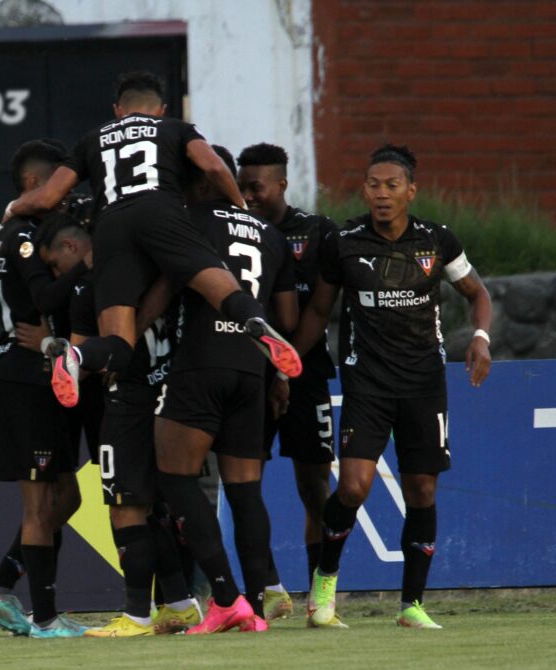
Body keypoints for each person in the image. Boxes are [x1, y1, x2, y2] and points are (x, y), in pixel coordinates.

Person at [6, 71, 302, 408]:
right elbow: (215, 168)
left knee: (119, 343)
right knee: (224, 290)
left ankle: (74, 356)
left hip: (111, 227)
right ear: (160, 110)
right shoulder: (175, 128)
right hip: (162, 215)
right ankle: (254, 324)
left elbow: (48, 197)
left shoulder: (93, 138)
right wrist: (240, 207)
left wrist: (13, 207)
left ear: (118, 110)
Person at [292, 144, 492, 629]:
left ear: (410, 191)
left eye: (392, 186)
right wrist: (289, 362)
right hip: (367, 383)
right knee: (354, 486)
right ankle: (324, 587)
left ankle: (412, 605)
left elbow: (477, 294)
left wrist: (482, 338)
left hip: (424, 383)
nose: (381, 195)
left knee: (422, 488)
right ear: (365, 190)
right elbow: (319, 311)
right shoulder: (344, 242)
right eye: (373, 185)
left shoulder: (438, 241)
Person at [34, 213, 202, 637]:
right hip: (176, 399)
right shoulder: (171, 273)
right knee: (158, 509)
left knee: (126, 507)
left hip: (128, 402)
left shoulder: (93, 288)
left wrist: (65, 358)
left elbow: (77, 364)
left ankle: (136, 616)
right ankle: (181, 604)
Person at [153, 145, 298, 634]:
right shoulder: (270, 234)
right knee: (245, 490)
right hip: (252, 368)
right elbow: (289, 318)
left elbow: (165, 289)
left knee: (175, 478)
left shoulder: (187, 219)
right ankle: (255, 611)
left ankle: (222, 597)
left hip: (202, 360)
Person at [0, 141, 90, 639]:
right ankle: (44, 619)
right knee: (41, 504)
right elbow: (42, 295)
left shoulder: (27, 230)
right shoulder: (19, 235)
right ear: (32, 187)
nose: (64, 203)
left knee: (67, 497)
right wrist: (87, 261)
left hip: (43, 373)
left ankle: (0, 586)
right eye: (57, 193)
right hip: (23, 374)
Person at [237, 142, 340, 620]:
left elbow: (318, 310)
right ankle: (266, 590)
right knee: (245, 485)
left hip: (306, 373)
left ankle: (321, 596)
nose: (248, 195)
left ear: (281, 184)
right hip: (247, 377)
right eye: (242, 186)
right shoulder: (237, 231)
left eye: (256, 186)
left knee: (314, 490)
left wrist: (286, 366)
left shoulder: (318, 232)